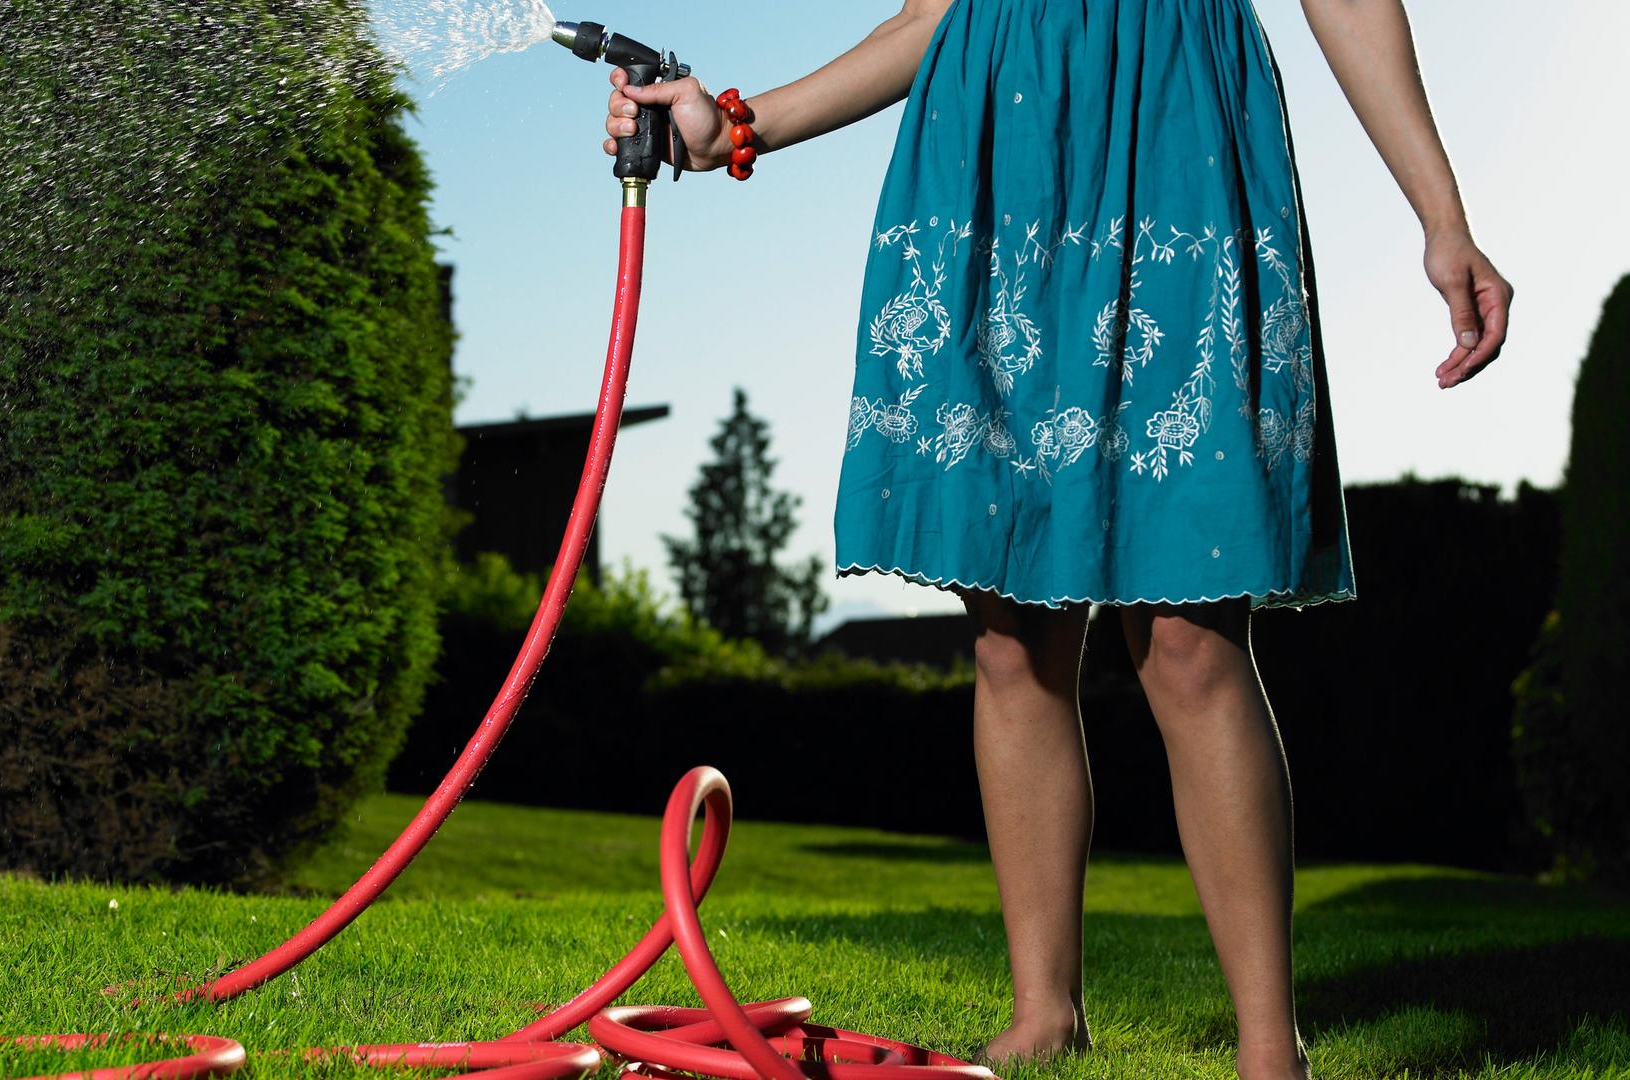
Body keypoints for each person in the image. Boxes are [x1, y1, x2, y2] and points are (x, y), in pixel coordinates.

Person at [600, 1, 1513, 1078]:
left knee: (1192, 638)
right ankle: (1045, 1011)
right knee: (1013, 635)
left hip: (1176, 131)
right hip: (998, 155)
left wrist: (1441, 215)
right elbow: (934, 16)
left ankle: (1273, 1048)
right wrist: (736, 128)